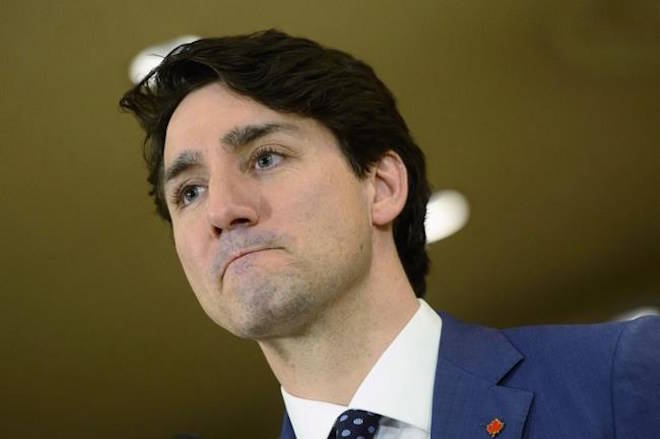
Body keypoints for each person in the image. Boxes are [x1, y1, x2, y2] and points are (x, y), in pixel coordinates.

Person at [120, 29, 660, 439]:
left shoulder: (625, 375)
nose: (221, 209)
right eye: (188, 191)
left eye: (265, 158)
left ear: (380, 186)